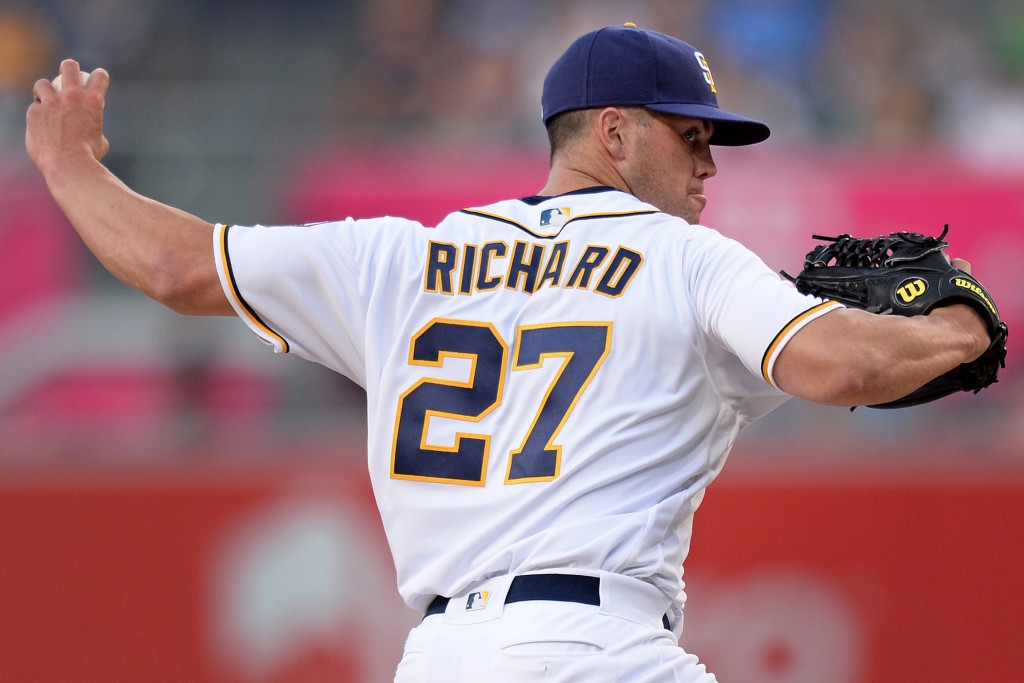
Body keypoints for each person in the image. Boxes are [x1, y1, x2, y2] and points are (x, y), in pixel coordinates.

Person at [26, 23, 991, 683]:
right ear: (614, 133)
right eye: (690, 137)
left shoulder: (401, 255)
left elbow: (174, 265)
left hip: (443, 657)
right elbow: (844, 366)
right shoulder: (689, 260)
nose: (708, 165)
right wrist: (961, 329)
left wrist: (69, 166)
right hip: (599, 648)